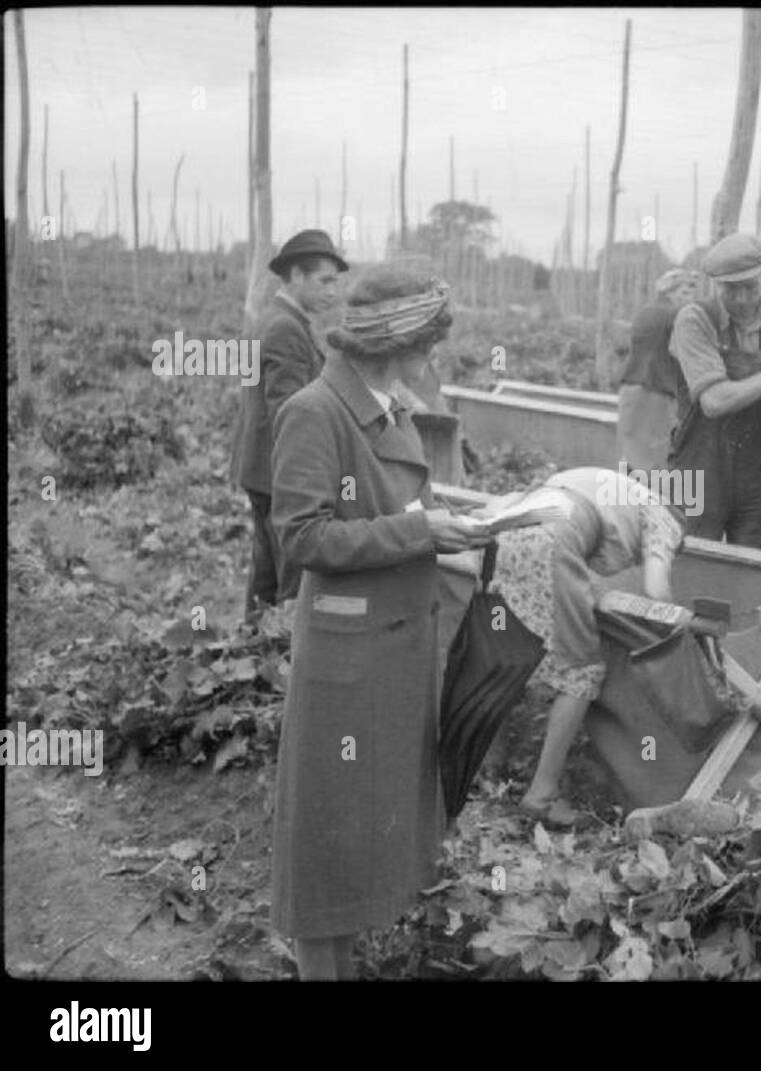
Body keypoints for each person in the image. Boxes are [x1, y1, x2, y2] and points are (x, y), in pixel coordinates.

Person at [268, 258, 493, 980]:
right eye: (427, 342)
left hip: (388, 653)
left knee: (364, 825)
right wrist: (422, 532)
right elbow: (301, 538)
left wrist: (451, 519)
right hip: (348, 661)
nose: (433, 356)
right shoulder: (316, 410)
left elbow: (385, 510)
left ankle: (343, 963)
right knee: (326, 838)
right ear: (392, 344)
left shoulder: (381, 401)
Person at [478, 467, 685, 821]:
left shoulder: (600, 483)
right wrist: (681, 622)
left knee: (507, 653)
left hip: (504, 536)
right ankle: (541, 796)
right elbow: (656, 590)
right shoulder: (662, 517)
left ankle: (484, 769)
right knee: (582, 671)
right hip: (551, 543)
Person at [230, 229, 348, 621]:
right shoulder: (285, 328)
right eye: (324, 281)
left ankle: (251, 652)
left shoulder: (273, 319)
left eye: (337, 281)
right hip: (278, 472)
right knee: (291, 577)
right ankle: (282, 661)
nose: (333, 291)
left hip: (259, 465)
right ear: (296, 276)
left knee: (265, 571)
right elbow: (290, 413)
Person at [667, 233, 761, 550]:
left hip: (759, 473)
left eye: (749, 287)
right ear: (715, 284)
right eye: (730, 289)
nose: (741, 298)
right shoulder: (695, 320)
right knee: (692, 569)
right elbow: (714, 401)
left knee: (759, 579)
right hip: (698, 472)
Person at [617, 268, 700, 474]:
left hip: (631, 387)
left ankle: (627, 502)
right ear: (671, 293)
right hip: (657, 391)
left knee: (632, 455)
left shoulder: (645, 312)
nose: (690, 298)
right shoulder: (677, 315)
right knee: (656, 459)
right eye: (685, 292)